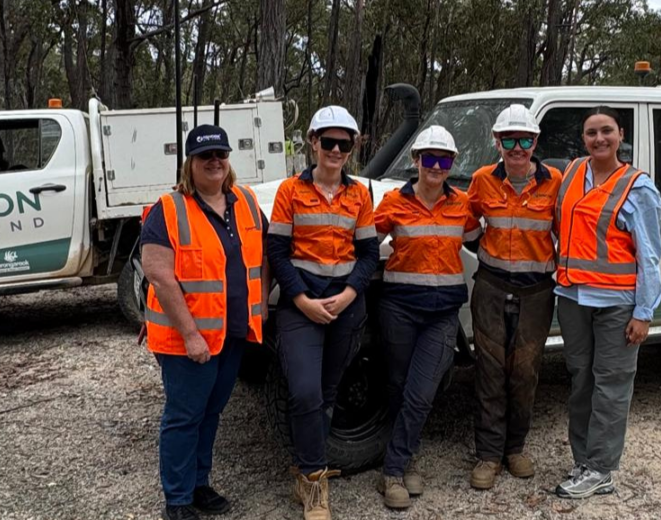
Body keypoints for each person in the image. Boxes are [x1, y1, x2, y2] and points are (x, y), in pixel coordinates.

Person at [140, 124, 269, 520]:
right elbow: (158, 274)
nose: (215, 161)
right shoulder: (170, 209)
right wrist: (191, 335)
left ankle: (199, 484)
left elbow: (263, 255)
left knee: (211, 412)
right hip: (187, 341)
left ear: (228, 160)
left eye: (221, 154)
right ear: (190, 163)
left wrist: (259, 309)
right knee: (184, 416)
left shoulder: (245, 200)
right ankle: (177, 500)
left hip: (231, 333)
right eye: (205, 156)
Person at [267, 106, 380, 520]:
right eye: (328, 141)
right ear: (313, 142)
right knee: (304, 392)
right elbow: (277, 252)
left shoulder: (359, 195)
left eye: (343, 143)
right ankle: (315, 481)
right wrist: (300, 300)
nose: (335, 150)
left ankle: (305, 468)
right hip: (302, 305)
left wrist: (351, 292)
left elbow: (368, 254)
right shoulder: (289, 192)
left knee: (329, 392)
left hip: (346, 305)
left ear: (352, 148)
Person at [553, 106, 661, 499]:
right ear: (582, 139)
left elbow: (649, 254)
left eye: (606, 131)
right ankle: (584, 460)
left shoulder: (637, 187)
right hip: (572, 298)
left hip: (617, 304)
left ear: (621, 135)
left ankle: (601, 468)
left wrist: (644, 313)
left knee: (612, 386)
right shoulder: (570, 174)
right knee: (581, 379)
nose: (599, 139)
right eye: (591, 133)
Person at [373, 125, 482, 509]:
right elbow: (367, 239)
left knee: (421, 394)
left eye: (444, 160)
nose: (436, 166)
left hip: (442, 314)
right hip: (399, 308)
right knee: (397, 386)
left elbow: (473, 238)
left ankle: (392, 472)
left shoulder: (463, 205)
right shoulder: (392, 202)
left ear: (452, 164)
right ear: (416, 161)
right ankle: (405, 458)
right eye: (430, 158)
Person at [465, 105, 562, 489]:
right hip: (491, 285)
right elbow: (469, 224)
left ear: (535, 142)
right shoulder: (482, 180)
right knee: (489, 370)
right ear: (497, 142)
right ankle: (488, 455)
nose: (517, 148)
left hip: (537, 290)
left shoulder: (555, 181)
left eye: (525, 140)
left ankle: (516, 448)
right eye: (510, 140)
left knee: (525, 371)